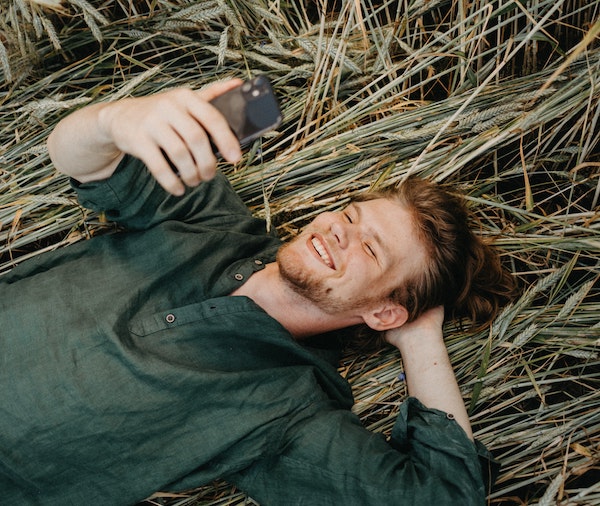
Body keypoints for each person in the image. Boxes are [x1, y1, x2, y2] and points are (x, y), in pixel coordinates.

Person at [0, 78, 515, 505]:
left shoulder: (288, 413)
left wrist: (420, 336)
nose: (341, 230)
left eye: (372, 250)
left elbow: (444, 498)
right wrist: (114, 122)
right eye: (353, 215)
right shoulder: (207, 219)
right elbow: (81, 161)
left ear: (384, 312)